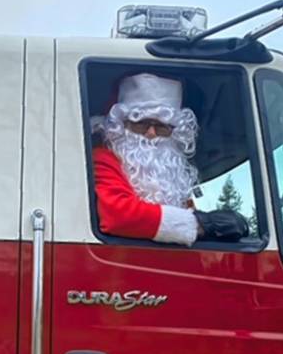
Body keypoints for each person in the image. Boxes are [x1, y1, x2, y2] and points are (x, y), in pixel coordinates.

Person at [93, 73, 247, 245]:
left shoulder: (173, 175)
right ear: (122, 126)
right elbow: (118, 216)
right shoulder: (104, 159)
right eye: (141, 123)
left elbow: (187, 220)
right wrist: (203, 224)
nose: (151, 133)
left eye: (161, 127)